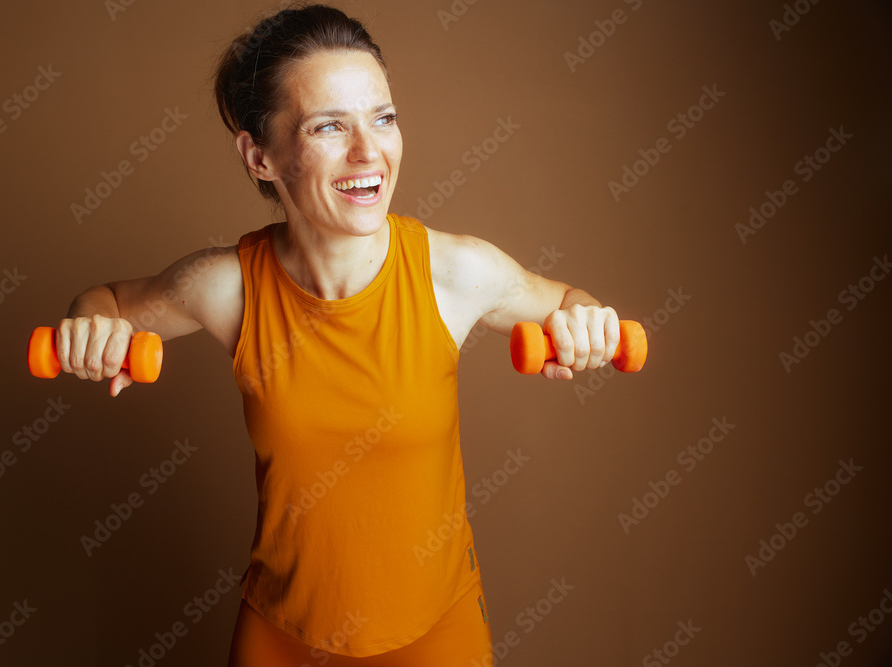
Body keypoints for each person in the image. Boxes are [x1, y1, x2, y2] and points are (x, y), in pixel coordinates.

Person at [58, 4, 622, 665]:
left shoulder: (456, 273)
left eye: (383, 118)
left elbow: (573, 303)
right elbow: (105, 302)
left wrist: (588, 322)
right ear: (259, 156)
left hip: (437, 637)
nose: (369, 151)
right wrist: (89, 330)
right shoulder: (227, 288)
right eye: (329, 126)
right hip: (282, 638)